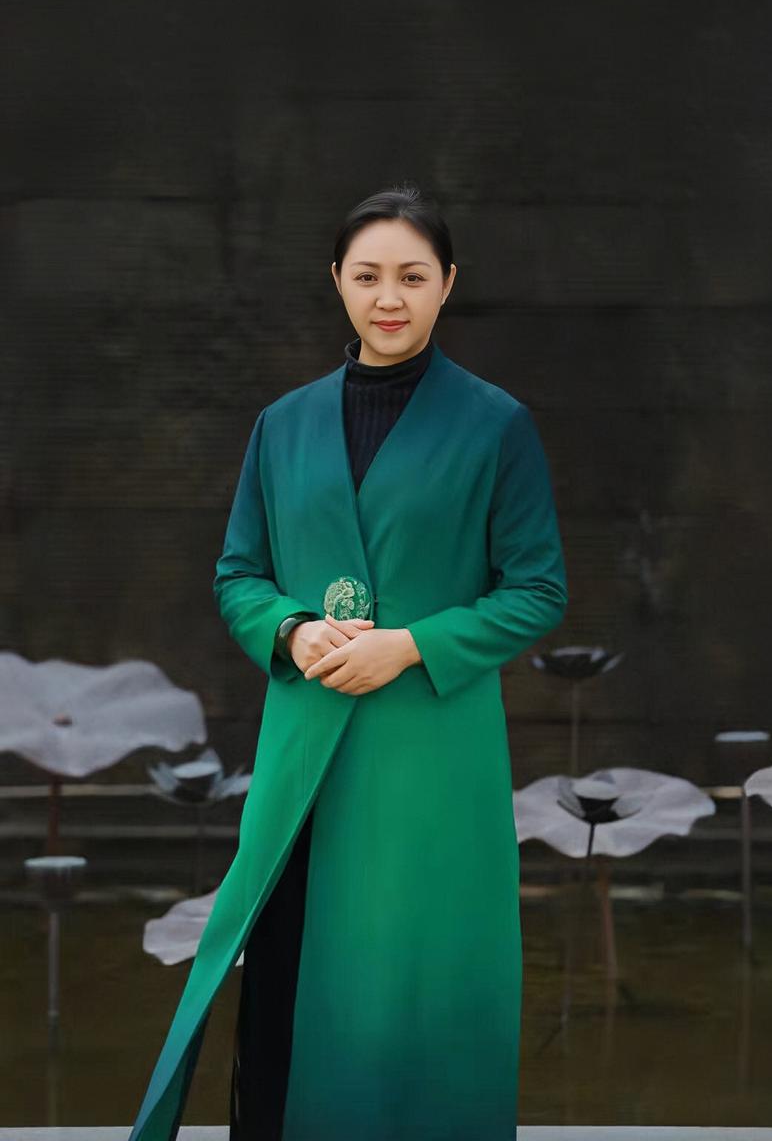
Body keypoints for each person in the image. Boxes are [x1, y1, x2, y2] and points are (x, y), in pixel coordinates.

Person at [127, 180, 568, 1141]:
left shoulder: (495, 425)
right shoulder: (282, 425)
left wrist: (412, 645)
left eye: (412, 276)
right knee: (287, 978)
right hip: (307, 743)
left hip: (429, 751)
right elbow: (238, 573)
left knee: (414, 980)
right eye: (368, 276)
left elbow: (538, 590)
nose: (389, 298)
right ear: (336, 280)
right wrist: (290, 628)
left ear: (448, 283)